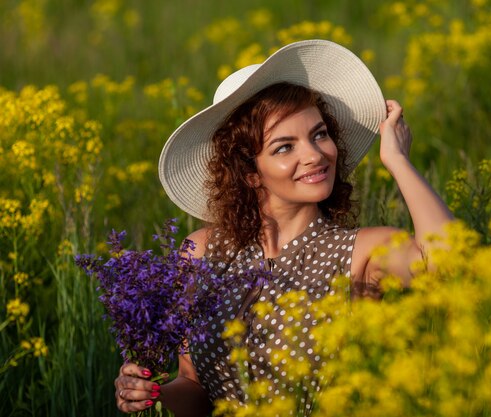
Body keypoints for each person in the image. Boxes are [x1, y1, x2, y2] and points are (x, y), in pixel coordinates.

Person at [113, 39, 452, 416]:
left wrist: (397, 160)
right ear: (249, 173)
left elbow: (450, 267)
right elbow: (193, 383)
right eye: (284, 147)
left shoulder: (363, 252)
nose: (315, 154)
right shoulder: (200, 252)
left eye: (319, 134)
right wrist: (152, 395)